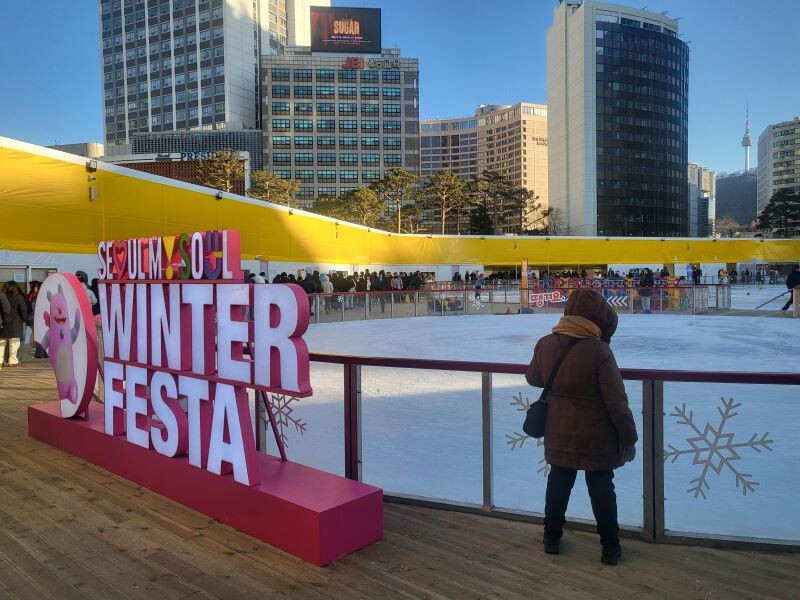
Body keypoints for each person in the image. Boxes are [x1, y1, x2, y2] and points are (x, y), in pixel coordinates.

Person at [526, 289, 637, 565]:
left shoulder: (545, 344)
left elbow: (534, 378)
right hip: (596, 437)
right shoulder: (599, 351)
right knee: (601, 488)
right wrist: (628, 437)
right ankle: (610, 547)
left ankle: (551, 538)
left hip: (559, 430)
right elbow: (616, 402)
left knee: (558, 483)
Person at [0, 282, 29, 368]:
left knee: (1, 343)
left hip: (3, 323)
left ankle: (0, 360)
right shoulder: (18, 297)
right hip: (15, 324)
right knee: (14, 343)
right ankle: (12, 360)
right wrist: (24, 319)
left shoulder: (1, 296)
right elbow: (23, 310)